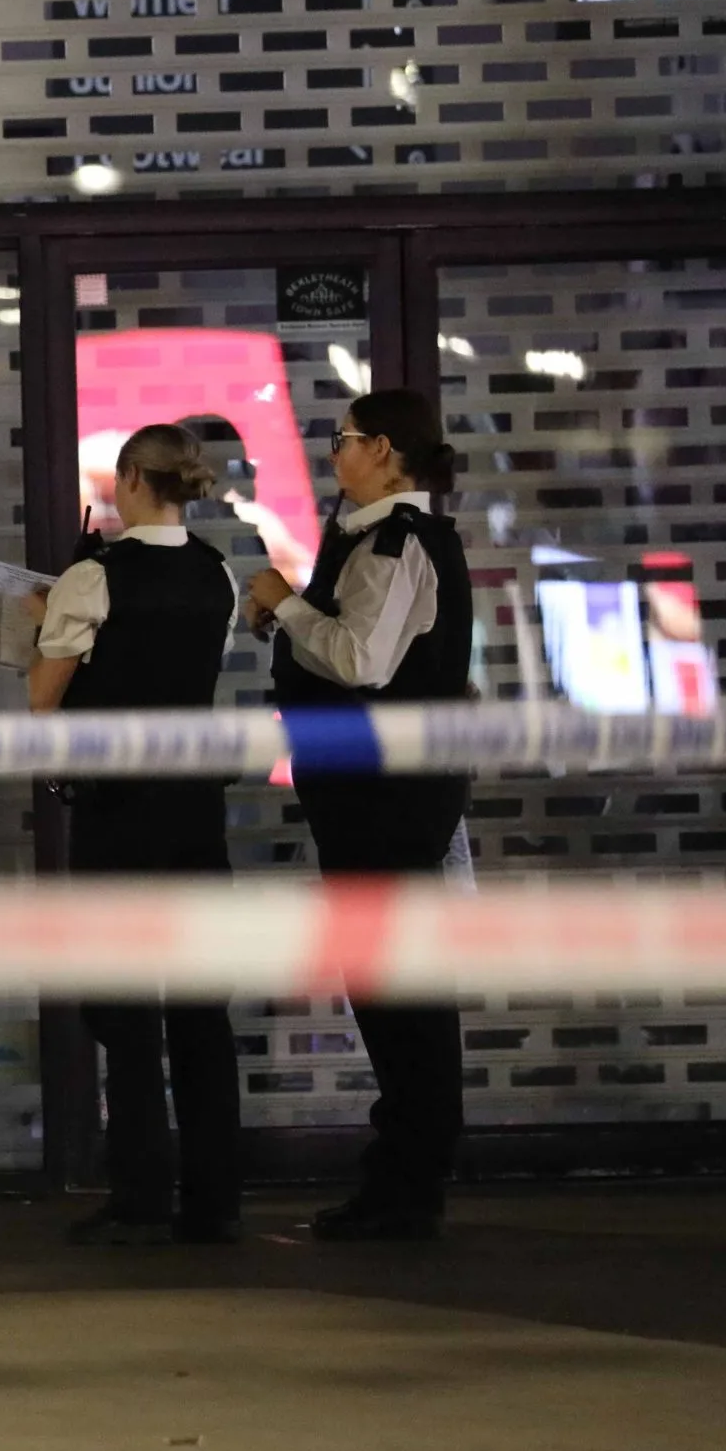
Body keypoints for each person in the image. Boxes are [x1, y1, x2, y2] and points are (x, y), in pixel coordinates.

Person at [247, 388, 473, 1242]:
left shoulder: (395, 542)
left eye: (341, 440)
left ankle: (409, 1182)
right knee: (392, 989)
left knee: (397, 994)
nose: (333, 454)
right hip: (381, 799)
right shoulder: (392, 541)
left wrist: (288, 599)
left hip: (386, 804)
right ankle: (404, 1174)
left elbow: (359, 659)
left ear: (383, 449)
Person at [26, 424, 243, 1246]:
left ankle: (143, 1187)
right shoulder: (217, 572)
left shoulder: (93, 577)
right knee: (199, 1009)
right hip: (194, 807)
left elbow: (45, 703)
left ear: (127, 480)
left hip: (119, 809)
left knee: (122, 1007)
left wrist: (43, 623)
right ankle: (215, 1197)